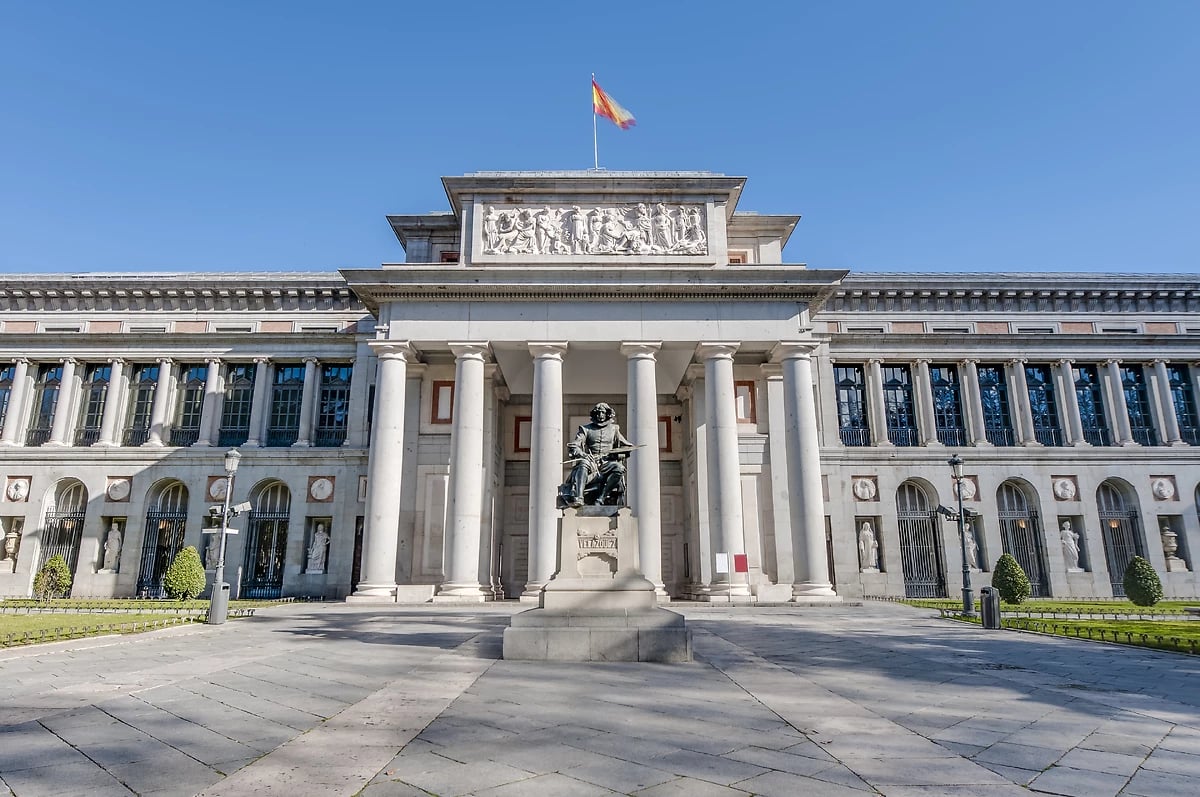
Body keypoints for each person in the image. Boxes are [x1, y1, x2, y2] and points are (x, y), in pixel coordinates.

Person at [559, 403, 634, 508]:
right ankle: (579, 498)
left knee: (620, 468)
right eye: (598, 413)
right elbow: (574, 445)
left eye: (603, 412)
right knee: (583, 463)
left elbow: (627, 446)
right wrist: (583, 454)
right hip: (591, 462)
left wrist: (617, 453)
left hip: (607, 463)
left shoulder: (614, 429)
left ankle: (601, 498)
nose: (600, 415)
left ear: (607, 414)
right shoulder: (586, 429)